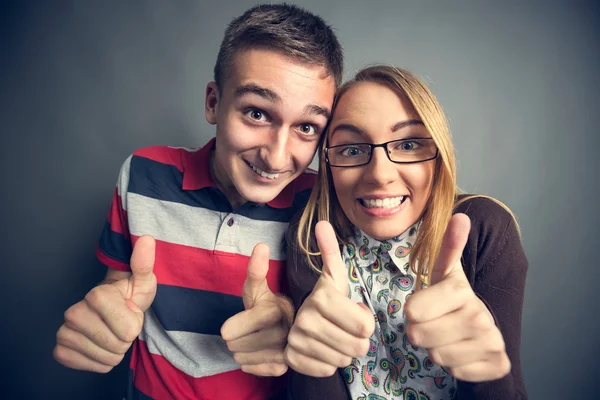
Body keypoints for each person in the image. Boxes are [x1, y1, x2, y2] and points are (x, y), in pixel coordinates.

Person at [52, 4, 343, 399]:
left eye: (306, 127)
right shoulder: (141, 175)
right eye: (257, 113)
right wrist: (107, 313)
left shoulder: (320, 203)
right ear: (213, 103)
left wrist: (291, 322)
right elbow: (120, 284)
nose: (276, 157)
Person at [283, 66, 528, 399]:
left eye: (409, 144)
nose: (380, 175)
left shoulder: (483, 230)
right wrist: (313, 362)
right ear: (328, 165)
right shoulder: (311, 243)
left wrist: (484, 368)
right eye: (352, 150)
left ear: (438, 155)